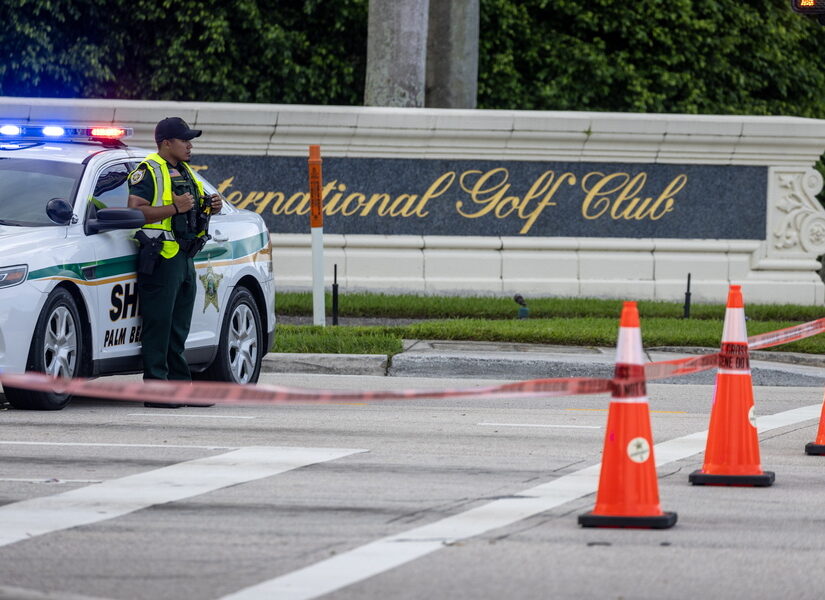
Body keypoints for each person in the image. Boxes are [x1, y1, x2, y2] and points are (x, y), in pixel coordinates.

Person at [128, 117, 222, 408]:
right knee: (159, 325)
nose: (190, 145)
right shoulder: (148, 170)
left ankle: (181, 388)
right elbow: (135, 211)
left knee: (179, 327)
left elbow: (192, 209)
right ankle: (157, 390)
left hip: (184, 256)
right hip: (160, 258)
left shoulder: (184, 171)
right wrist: (173, 207)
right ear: (166, 143)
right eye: (184, 140)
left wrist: (211, 205)